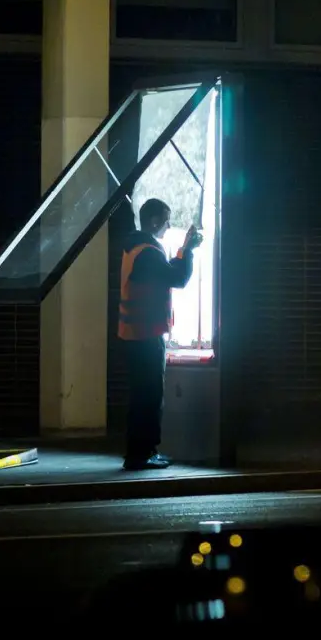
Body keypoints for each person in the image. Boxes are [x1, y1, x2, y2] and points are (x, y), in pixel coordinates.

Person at [117, 198, 204, 470]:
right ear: (154, 221)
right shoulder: (147, 252)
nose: (168, 225)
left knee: (141, 397)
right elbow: (177, 278)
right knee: (150, 397)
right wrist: (187, 250)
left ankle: (138, 452)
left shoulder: (134, 246)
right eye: (166, 219)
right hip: (146, 335)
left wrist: (181, 251)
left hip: (135, 334)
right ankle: (143, 454)